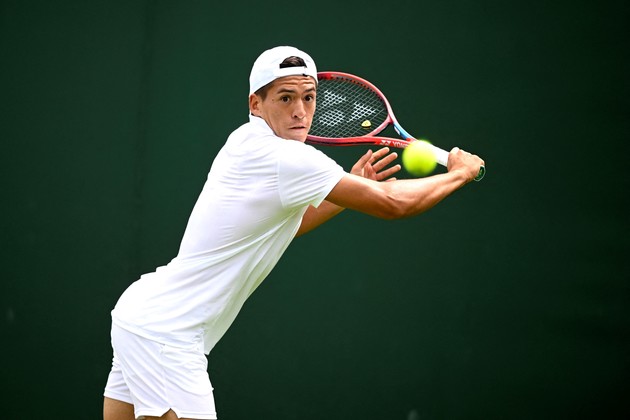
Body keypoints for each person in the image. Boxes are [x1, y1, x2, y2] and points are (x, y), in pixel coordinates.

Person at [103, 46, 484, 420]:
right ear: (256, 104)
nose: (300, 111)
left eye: (309, 97)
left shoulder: (245, 140)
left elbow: (280, 227)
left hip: (144, 319)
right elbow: (393, 203)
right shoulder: (287, 157)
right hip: (166, 336)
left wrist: (345, 194)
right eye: (285, 98)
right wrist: (458, 174)